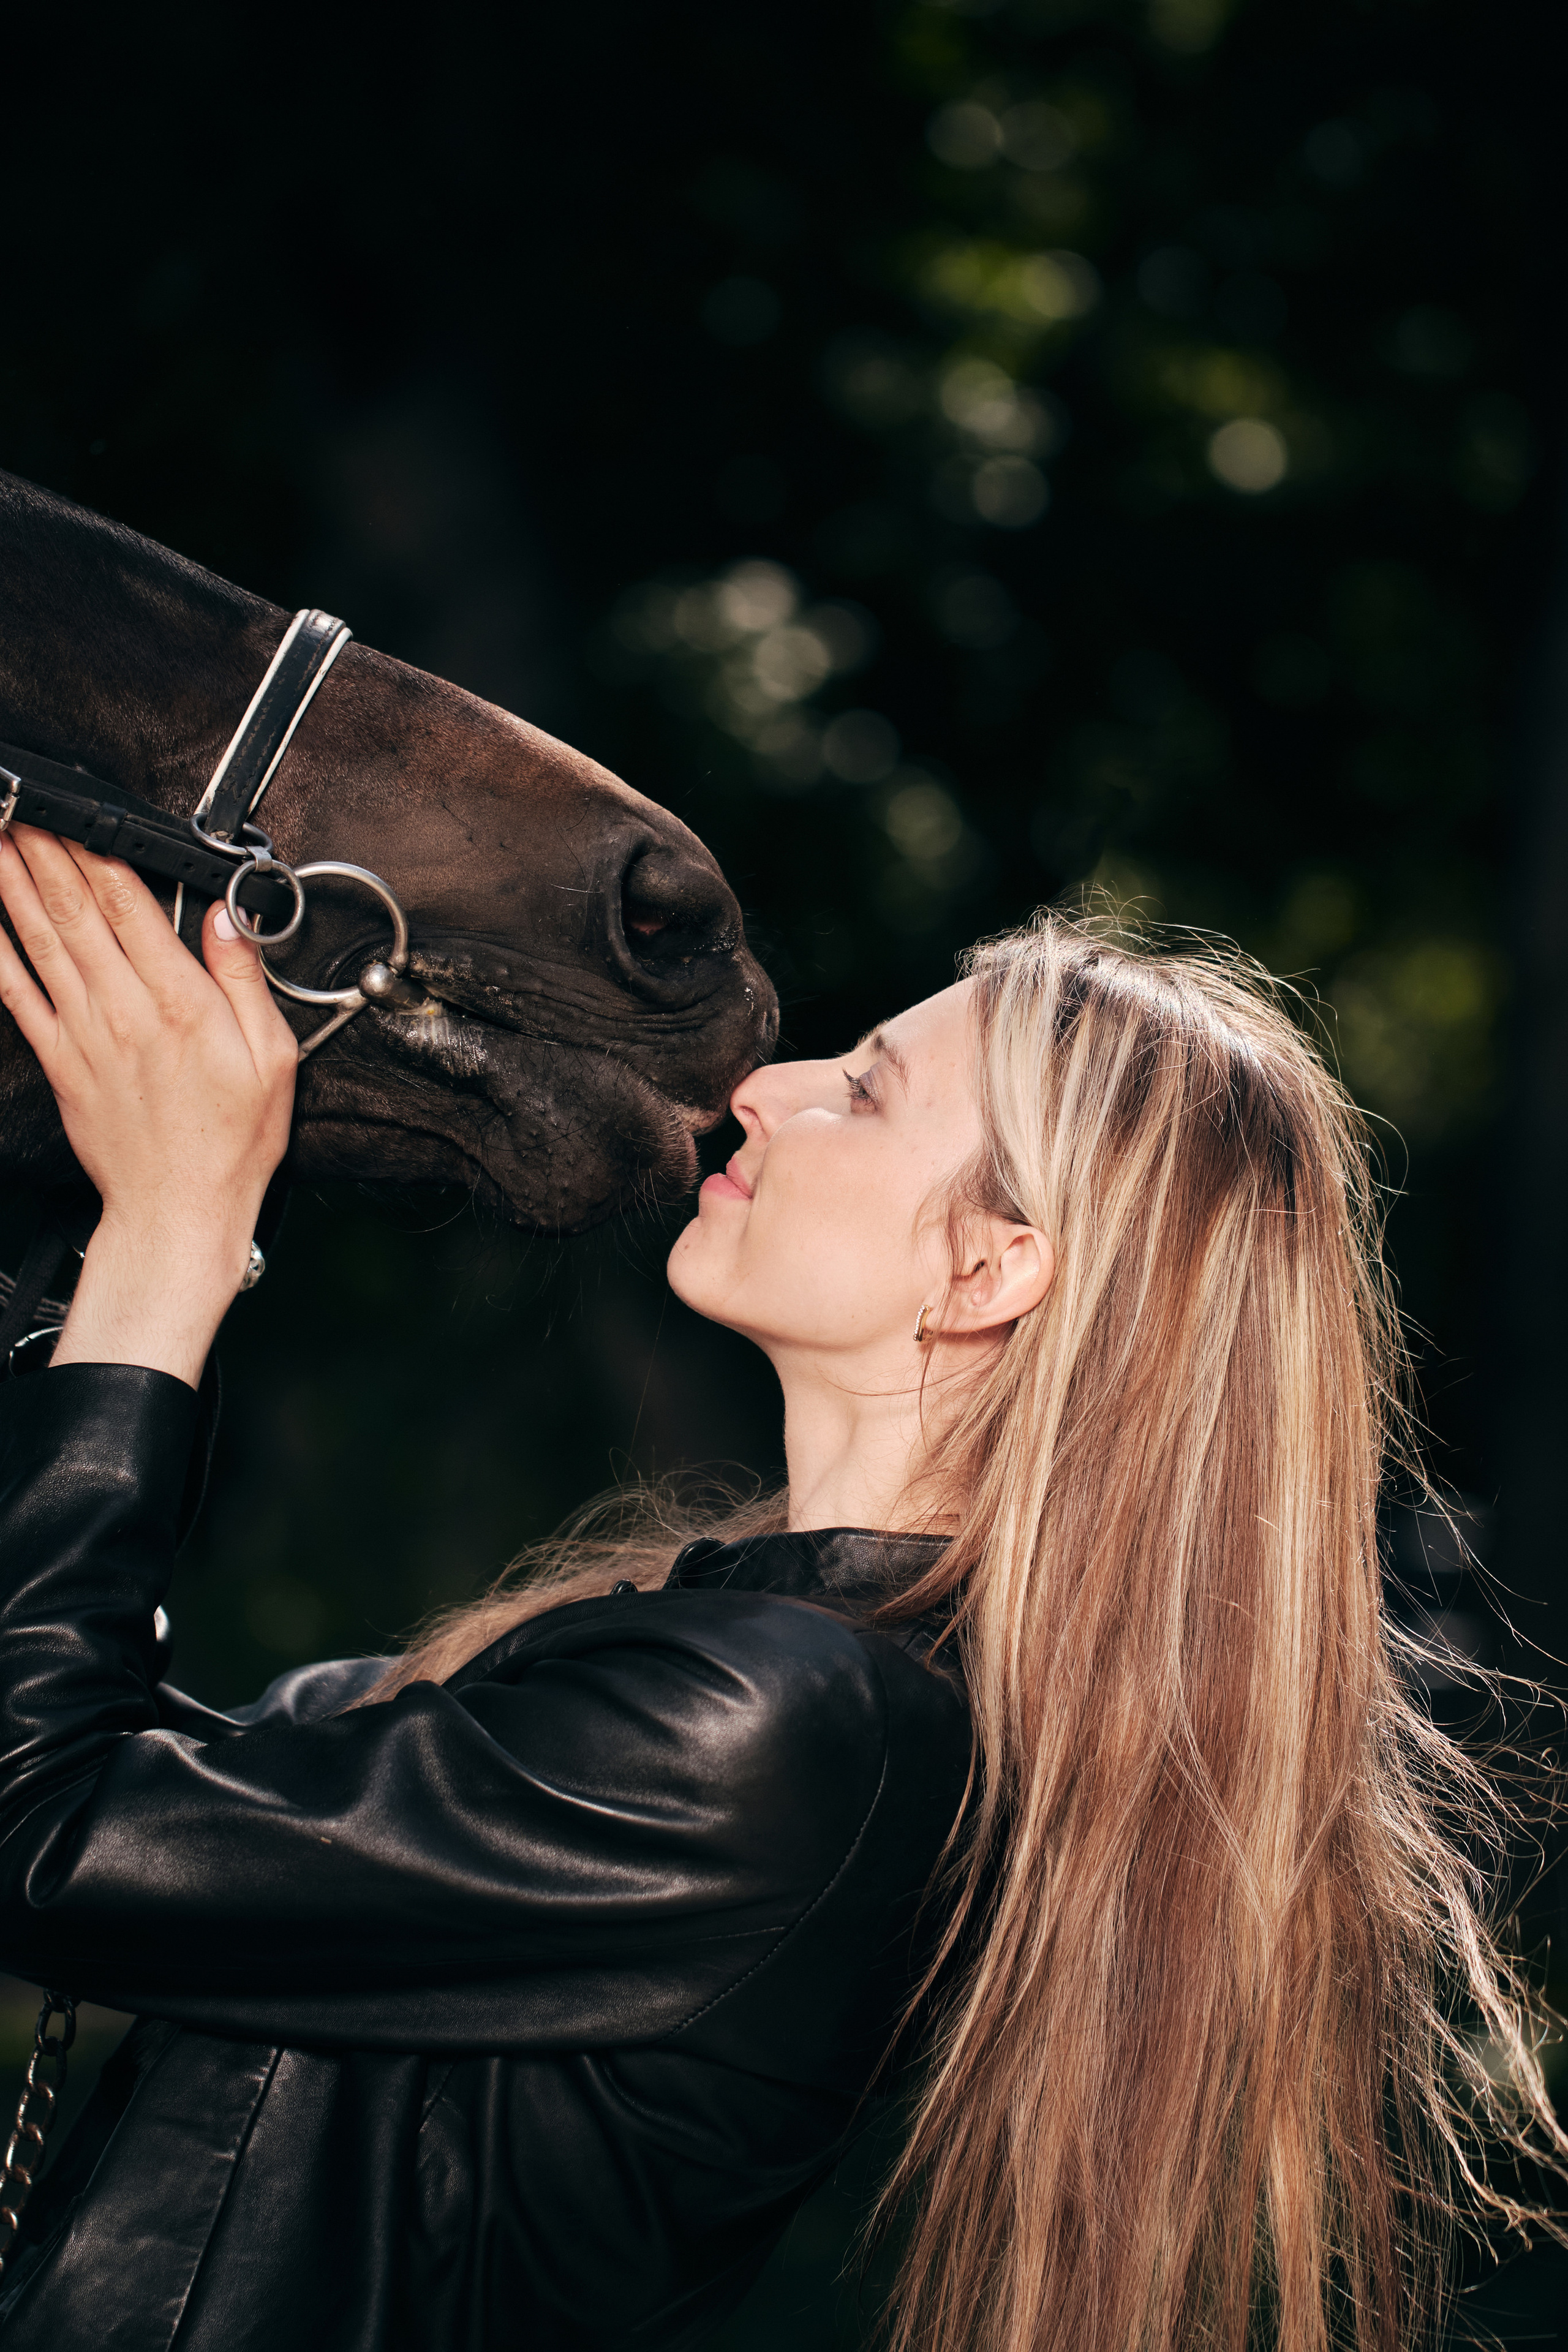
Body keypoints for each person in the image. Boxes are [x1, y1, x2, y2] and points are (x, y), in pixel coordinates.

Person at [0, 821, 1560, 2352]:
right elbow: (171, 1784)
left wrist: (177, 1226)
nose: (763, 1086)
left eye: (864, 1091)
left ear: (987, 1272)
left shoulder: (782, 1729)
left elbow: (44, 1824)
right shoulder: (792, 1674)